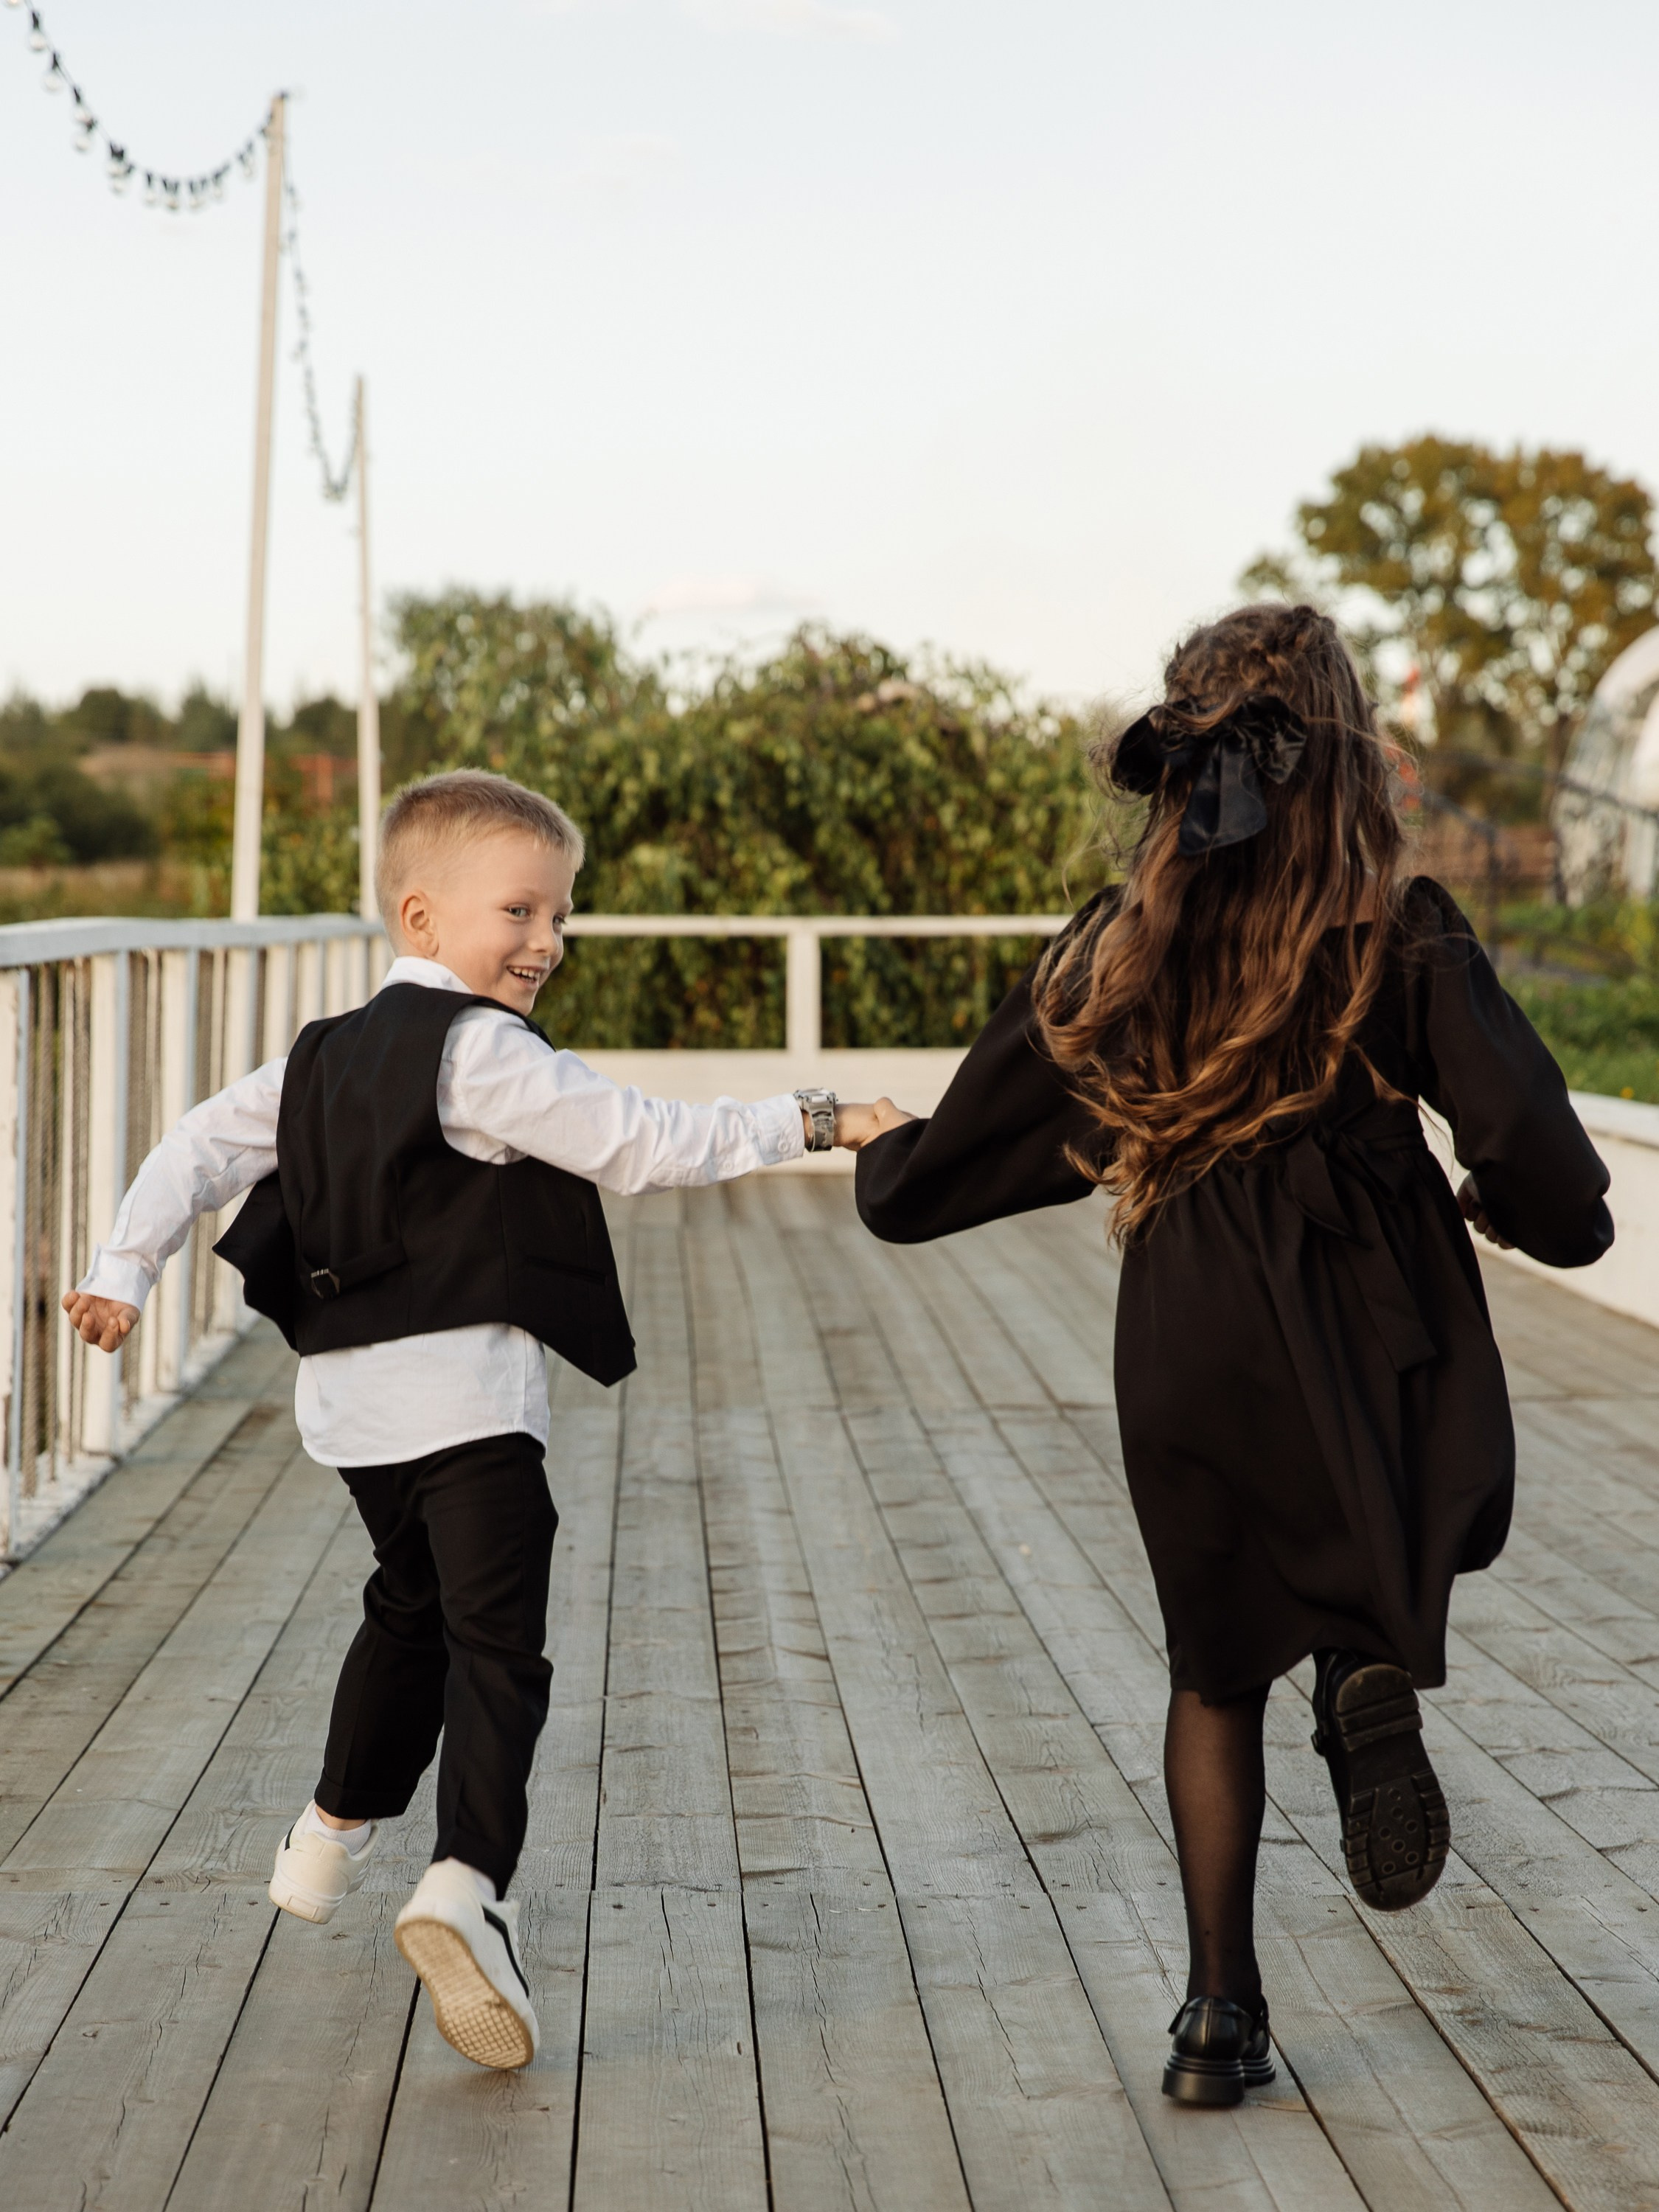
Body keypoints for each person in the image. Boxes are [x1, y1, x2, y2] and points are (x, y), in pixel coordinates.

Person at [854, 602, 1613, 2110]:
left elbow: (999, 1145)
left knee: (1211, 1671)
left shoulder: (1123, 942)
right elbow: (1528, 1136)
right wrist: (1533, 1215)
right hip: (1372, 1309)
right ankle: (1364, 1669)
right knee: (1380, 1514)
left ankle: (1217, 2017)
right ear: (1346, 749)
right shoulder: (1399, 929)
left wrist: (894, 1162)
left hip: (1191, 1327)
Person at [63, 768, 881, 2073]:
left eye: (559, 915)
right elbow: (645, 1143)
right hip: (471, 1411)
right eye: (520, 912)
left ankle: (328, 1837)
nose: (547, 942)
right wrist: (822, 1118)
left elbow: (196, 1152)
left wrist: (122, 1269)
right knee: (499, 1647)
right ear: (422, 915)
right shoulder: (483, 1053)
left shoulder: (318, 1053)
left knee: (410, 1608)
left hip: (351, 1415)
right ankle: (467, 1885)